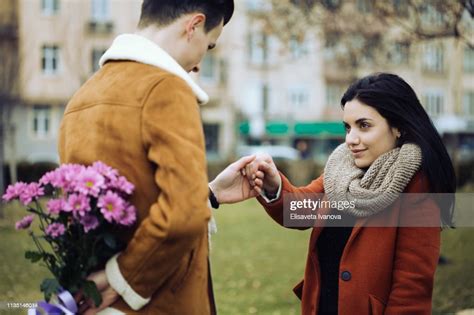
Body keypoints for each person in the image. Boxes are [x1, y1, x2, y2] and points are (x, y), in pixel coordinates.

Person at [58, 1, 236, 314]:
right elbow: (184, 214)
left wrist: (207, 193)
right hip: (159, 301)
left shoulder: (80, 99)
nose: (197, 65)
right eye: (209, 46)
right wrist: (122, 279)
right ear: (193, 25)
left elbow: (81, 213)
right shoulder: (167, 88)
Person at [238, 73, 456, 314]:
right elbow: (300, 211)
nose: (351, 139)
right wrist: (273, 183)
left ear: (398, 127)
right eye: (348, 127)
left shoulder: (418, 186)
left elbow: (411, 291)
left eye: (364, 125)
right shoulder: (343, 168)